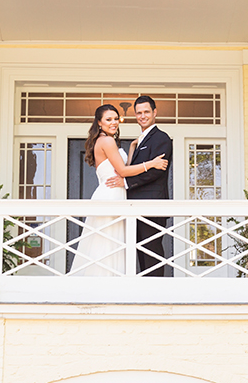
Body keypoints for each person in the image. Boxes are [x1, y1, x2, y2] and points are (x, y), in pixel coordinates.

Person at [70, 103, 168, 276]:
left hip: (116, 192)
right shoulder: (106, 141)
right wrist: (151, 163)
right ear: (99, 122)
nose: (113, 122)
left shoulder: (108, 141)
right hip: (111, 193)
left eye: (116, 119)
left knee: (113, 241)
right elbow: (123, 172)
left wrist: (131, 149)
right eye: (108, 119)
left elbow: (124, 168)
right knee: (107, 242)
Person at [105, 95, 173, 277]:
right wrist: (133, 149)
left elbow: (157, 171)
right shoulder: (140, 140)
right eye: (139, 113)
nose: (142, 116)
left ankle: (156, 294)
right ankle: (144, 293)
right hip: (134, 206)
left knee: (152, 254)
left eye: (146, 112)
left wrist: (126, 182)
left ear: (154, 112)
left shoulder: (161, 138)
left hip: (151, 206)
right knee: (141, 254)